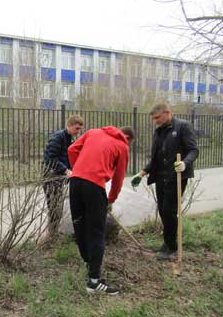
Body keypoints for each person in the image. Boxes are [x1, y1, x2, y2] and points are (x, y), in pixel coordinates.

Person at [68, 125, 134, 295]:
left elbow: (72, 149)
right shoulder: (123, 147)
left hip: (75, 182)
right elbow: (118, 178)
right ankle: (94, 282)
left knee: (80, 226)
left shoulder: (93, 132)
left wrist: (80, 170)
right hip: (94, 187)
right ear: (128, 138)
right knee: (97, 232)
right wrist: (110, 199)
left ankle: (90, 265)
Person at [131, 102, 198, 260]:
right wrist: (141, 173)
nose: (155, 121)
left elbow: (193, 150)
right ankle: (167, 243)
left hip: (176, 176)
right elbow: (156, 158)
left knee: (169, 210)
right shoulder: (158, 131)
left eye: (157, 117)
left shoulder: (183, 126)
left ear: (168, 113)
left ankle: (172, 247)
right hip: (160, 177)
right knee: (162, 210)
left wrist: (185, 163)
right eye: (153, 119)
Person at [43, 115, 84, 238]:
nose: (78, 132)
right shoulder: (58, 137)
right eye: (77, 128)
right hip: (51, 177)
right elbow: (50, 159)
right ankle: (51, 235)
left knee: (57, 206)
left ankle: (53, 233)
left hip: (59, 177)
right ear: (70, 125)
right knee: (54, 206)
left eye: (80, 129)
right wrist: (66, 170)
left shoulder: (69, 138)